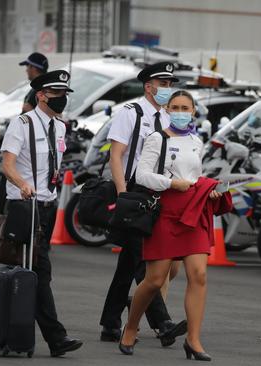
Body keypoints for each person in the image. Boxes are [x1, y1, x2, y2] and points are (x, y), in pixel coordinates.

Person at [118, 91, 232, 361]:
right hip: (166, 211)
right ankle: (131, 326)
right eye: (176, 107)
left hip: (194, 210)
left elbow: (195, 175)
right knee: (155, 280)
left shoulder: (196, 141)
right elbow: (142, 175)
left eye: (186, 108)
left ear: (193, 111)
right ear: (168, 110)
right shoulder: (157, 138)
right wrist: (171, 183)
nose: (181, 111)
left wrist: (210, 190)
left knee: (199, 276)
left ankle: (193, 340)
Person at [99, 61, 187, 346]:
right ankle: (162, 323)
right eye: (162, 83)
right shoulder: (130, 112)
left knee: (129, 262)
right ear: (148, 86)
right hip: (133, 192)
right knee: (142, 259)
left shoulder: (167, 118)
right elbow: (116, 156)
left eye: (170, 84)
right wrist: (123, 193)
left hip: (156, 194)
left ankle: (111, 323)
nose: (167, 89)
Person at [0, 69, 83, 357]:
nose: (61, 99)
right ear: (41, 95)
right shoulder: (21, 124)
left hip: (46, 207)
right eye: (56, 94)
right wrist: (23, 183)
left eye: (64, 94)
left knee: (31, 273)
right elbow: (7, 164)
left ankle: (12, 334)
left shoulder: (60, 127)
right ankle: (55, 338)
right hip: (25, 207)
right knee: (39, 272)